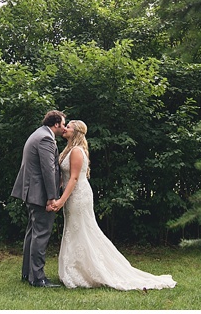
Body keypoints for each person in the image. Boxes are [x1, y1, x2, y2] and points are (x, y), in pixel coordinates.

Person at [53, 120, 176, 290]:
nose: (64, 129)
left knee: (81, 230)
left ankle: (87, 270)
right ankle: (75, 268)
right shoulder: (69, 149)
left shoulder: (76, 151)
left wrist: (61, 200)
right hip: (72, 194)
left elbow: (73, 178)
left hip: (78, 195)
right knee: (74, 230)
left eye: (68, 127)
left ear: (76, 132)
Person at [11, 110, 67, 287]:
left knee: (32, 233)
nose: (64, 127)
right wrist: (52, 197)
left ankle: (28, 273)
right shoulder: (46, 138)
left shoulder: (39, 133)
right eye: (63, 124)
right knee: (41, 234)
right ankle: (38, 278)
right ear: (56, 123)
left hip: (32, 192)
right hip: (39, 194)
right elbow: (48, 169)